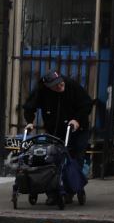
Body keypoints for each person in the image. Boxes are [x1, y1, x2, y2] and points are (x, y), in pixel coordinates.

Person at [19, 68, 94, 202]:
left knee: (76, 158)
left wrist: (77, 119)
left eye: (61, 83)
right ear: (48, 86)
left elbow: (86, 104)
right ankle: (53, 192)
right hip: (55, 128)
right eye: (56, 85)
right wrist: (30, 122)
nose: (60, 86)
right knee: (53, 158)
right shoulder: (41, 90)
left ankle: (71, 190)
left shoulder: (71, 85)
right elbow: (29, 106)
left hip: (77, 128)